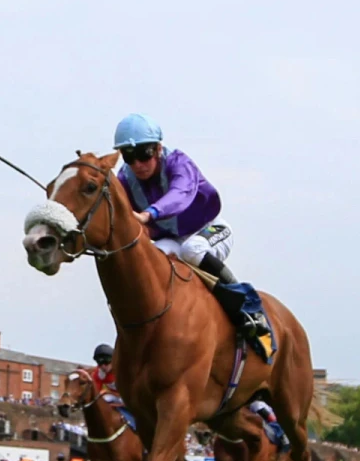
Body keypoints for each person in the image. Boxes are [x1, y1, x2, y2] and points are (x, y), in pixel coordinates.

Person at [112, 113, 268, 339]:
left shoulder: (179, 163)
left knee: (192, 249)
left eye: (143, 154)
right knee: (152, 259)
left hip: (209, 229)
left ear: (157, 148)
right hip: (170, 238)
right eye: (129, 156)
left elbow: (180, 193)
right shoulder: (125, 178)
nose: (138, 164)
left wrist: (149, 214)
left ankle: (249, 309)